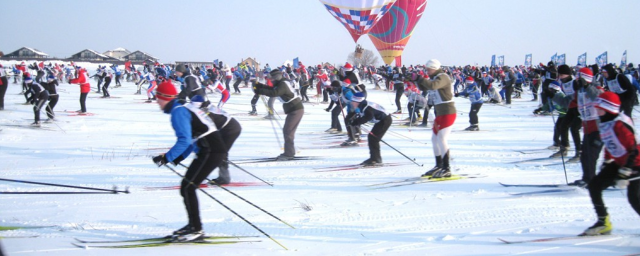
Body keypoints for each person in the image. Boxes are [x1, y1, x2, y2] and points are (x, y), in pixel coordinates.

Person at [151, 81, 231, 241]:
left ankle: (196, 229)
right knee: (187, 187)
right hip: (209, 150)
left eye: (157, 97)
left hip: (211, 150)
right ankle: (193, 226)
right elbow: (192, 140)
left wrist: (166, 158)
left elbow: (185, 140)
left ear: (164, 97)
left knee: (188, 188)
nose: (156, 101)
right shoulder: (182, 108)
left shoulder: (178, 112)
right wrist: (175, 158)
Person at [582, 91, 640, 236]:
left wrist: (625, 171)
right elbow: (610, 142)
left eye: (599, 107)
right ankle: (603, 221)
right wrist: (607, 160)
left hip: (635, 163)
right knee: (594, 185)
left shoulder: (620, 124)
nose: (596, 110)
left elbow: (634, 149)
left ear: (608, 108)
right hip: (619, 162)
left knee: (634, 198)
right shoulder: (605, 122)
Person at [416, 59, 456, 178]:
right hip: (440, 112)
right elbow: (424, 88)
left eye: (428, 69)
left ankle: (446, 167)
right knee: (434, 139)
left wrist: (420, 79)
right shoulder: (434, 77)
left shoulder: (443, 77)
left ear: (434, 68)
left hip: (448, 111)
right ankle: (439, 165)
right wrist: (416, 79)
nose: (427, 71)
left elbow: (433, 86)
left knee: (442, 138)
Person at [253, 69, 304, 160]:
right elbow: (272, 89)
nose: (271, 80)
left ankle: (289, 154)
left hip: (296, 109)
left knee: (288, 132)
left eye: (272, 78)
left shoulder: (283, 84)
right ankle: (289, 152)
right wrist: (259, 86)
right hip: (294, 109)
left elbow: (275, 93)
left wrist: (260, 91)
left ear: (277, 77)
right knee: (287, 131)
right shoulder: (281, 83)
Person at [349, 92, 392, 166]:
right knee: (372, 137)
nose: (352, 103)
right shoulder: (362, 105)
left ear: (358, 101)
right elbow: (359, 114)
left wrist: (356, 122)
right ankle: (374, 158)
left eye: (353, 101)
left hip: (385, 120)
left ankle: (376, 159)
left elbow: (368, 117)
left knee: (373, 138)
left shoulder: (366, 107)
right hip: (381, 120)